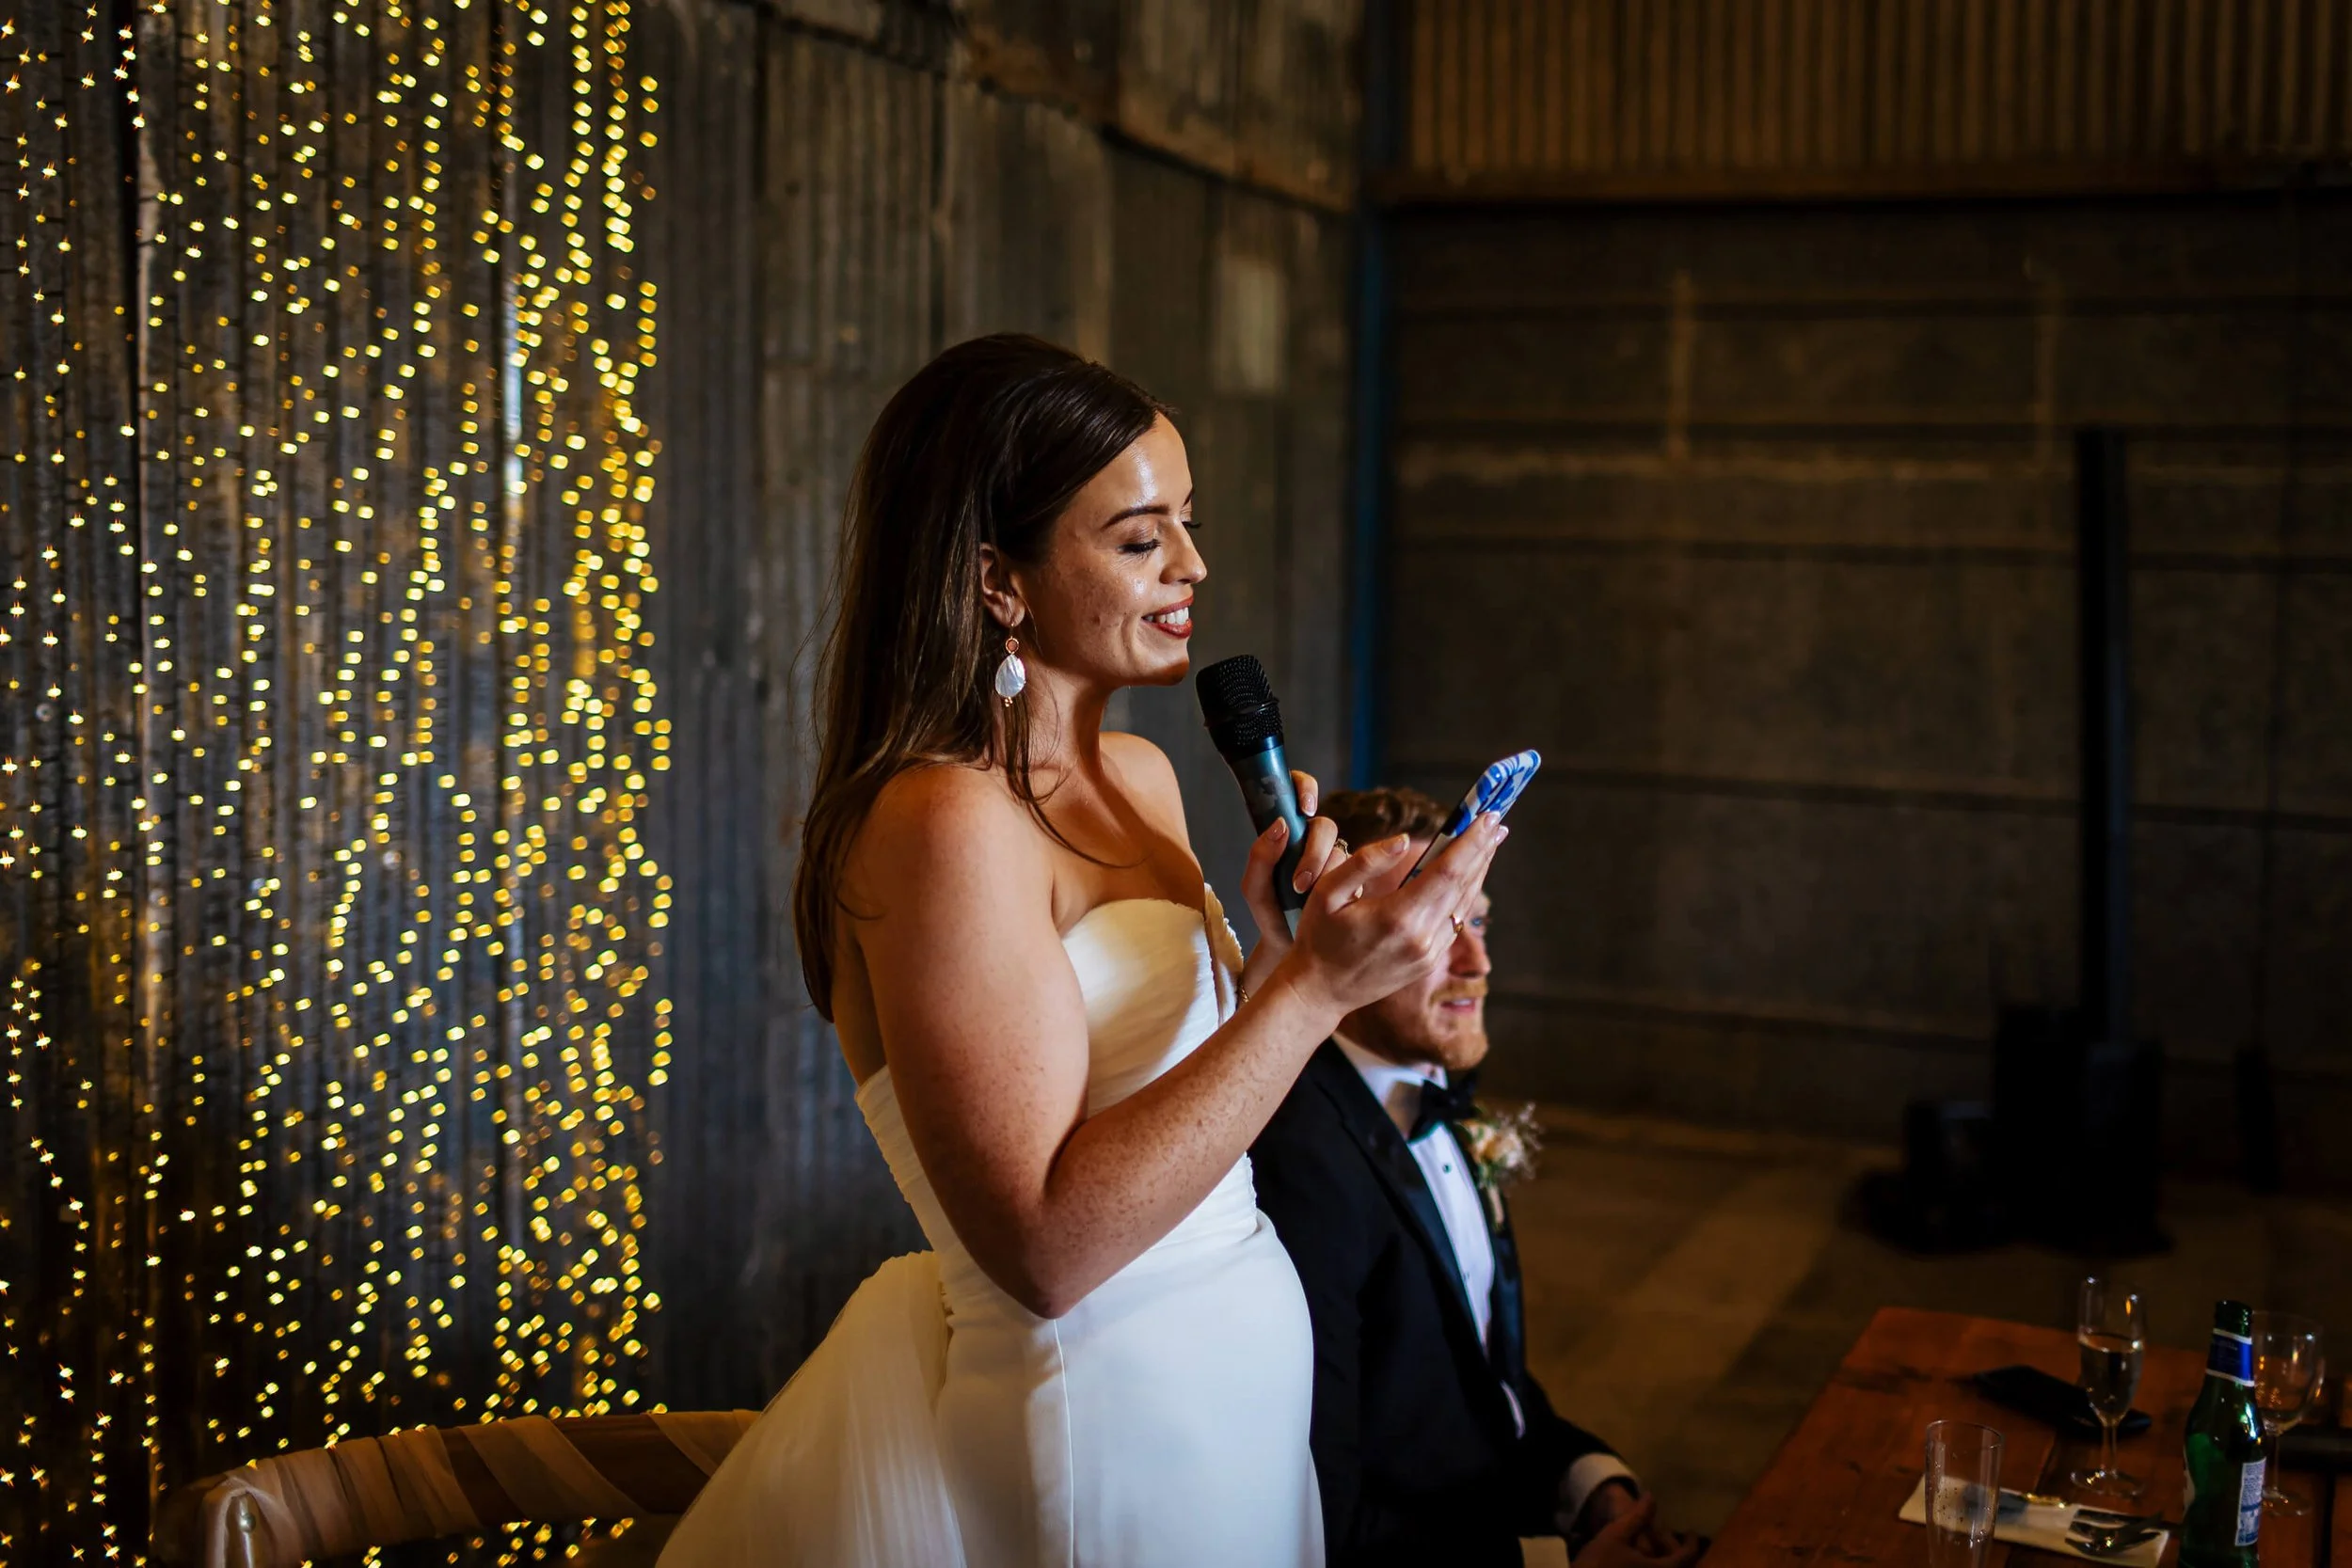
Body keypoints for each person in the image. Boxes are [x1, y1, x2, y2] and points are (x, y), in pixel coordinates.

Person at [659, 337, 1505, 1568]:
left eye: (1189, 524)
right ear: (999, 580)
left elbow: (1194, 1129)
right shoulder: (941, 818)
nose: (1193, 567)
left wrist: (1283, 951)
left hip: (1238, 1400)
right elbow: (1048, 1246)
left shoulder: (1146, 777)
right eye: (1140, 536)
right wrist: (1319, 990)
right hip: (1105, 1418)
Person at [1249, 786, 1706, 1568]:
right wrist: (1554, 1564)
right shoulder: (1304, 1163)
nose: (1478, 962)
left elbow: (1487, 1386)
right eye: (1437, 926)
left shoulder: (1438, 1103)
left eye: (1480, 921)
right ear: (1346, 937)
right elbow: (1326, 1515)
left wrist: (1590, 1485)